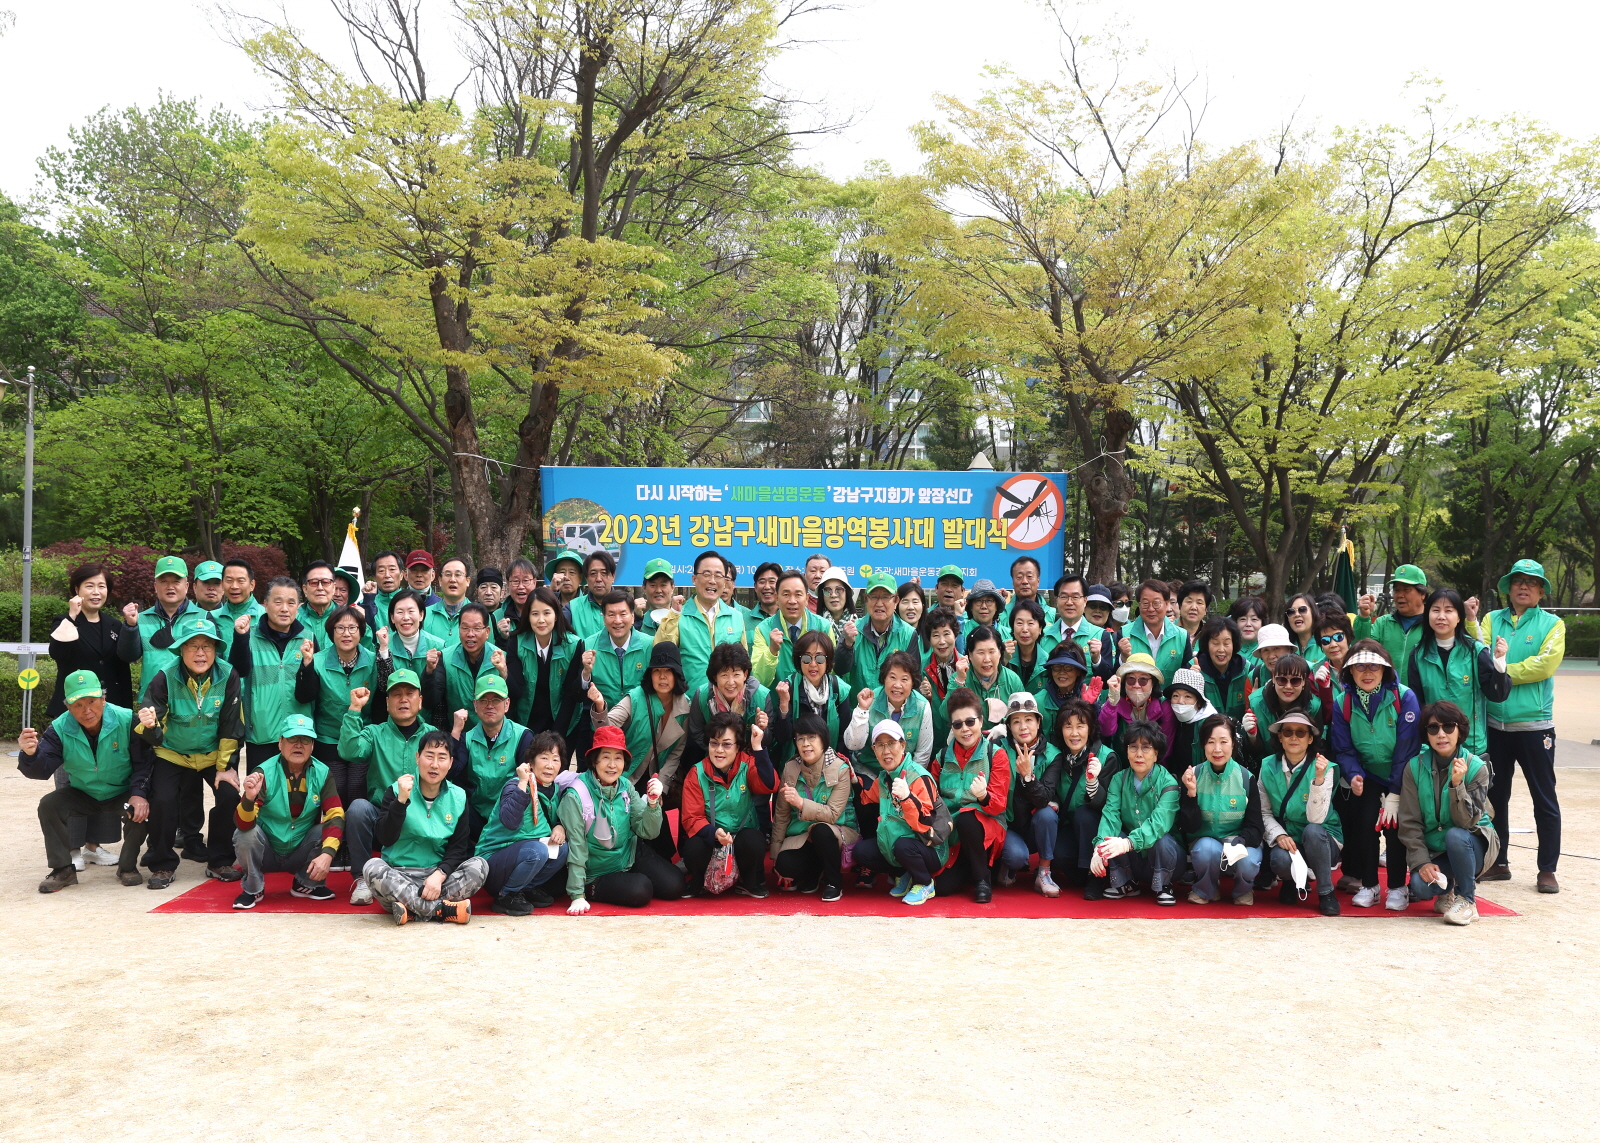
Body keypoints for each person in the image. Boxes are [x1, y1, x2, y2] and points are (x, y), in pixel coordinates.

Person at [1467, 558, 1565, 892]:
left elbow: (1545, 665)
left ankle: (1547, 869)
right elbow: (1481, 650)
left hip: (1536, 727)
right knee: (1496, 796)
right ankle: (1499, 862)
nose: (1523, 586)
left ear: (1541, 591)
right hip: (1495, 725)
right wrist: (1470, 623)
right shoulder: (1492, 618)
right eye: (1517, 581)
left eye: (1532, 582)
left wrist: (1504, 669)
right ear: (1508, 588)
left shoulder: (1553, 624)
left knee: (1544, 798)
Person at [134, 615, 246, 889]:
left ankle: (219, 859)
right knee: (162, 800)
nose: (200, 653)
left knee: (230, 795)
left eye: (207, 646)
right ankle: (161, 864)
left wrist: (225, 767)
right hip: (173, 753)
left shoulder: (228, 674)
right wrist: (149, 725)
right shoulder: (164, 677)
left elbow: (232, 726)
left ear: (216, 650)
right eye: (192, 646)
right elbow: (150, 729)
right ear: (180, 649)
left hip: (211, 754)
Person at [20, 670, 152, 892]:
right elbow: (41, 771)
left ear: (103, 698)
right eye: (78, 704)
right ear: (68, 707)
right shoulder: (59, 728)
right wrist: (30, 754)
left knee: (144, 807)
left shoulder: (128, 719)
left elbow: (144, 762)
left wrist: (138, 793)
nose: (87, 710)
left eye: (92, 701)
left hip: (122, 790)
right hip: (83, 792)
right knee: (49, 804)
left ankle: (127, 867)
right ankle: (63, 869)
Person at [46, 561, 136, 869]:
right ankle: (71, 850)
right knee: (72, 780)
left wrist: (124, 711)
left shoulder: (113, 626)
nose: (96, 592)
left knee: (105, 779)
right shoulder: (65, 620)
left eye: (101, 586)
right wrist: (72, 616)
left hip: (106, 716)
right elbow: (57, 652)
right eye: (89, 586)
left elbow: (123, 665)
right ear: (76, 590)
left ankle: (93, 847)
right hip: (72, 715)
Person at [362, 729, 487, 925]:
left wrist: (440, 875)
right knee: (372, 867)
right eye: (429, 756)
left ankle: (411, 911)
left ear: (451, 763)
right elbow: (384, 838)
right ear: (418, 757)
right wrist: (401, 802)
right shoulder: (397, 790)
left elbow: (458, 848)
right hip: (400, 877)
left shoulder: (458, 797)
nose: (434, 765)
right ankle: (442, 910)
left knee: (479, 866)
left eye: (442, 758)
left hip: (438, 879)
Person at [1330, 640, 1420, 911]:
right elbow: (1343, 747)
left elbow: (1407, 749)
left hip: (1401, 776)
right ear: (1350, 671)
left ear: (1385, 669)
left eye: (1374, 666)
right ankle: (1369, 885)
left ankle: (1397, 887)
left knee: (1394, 830)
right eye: (1359, 666)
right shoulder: (1342, 702)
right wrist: (1354, 774)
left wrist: (1394, 791)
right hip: (1368, 775)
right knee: (1365, 827)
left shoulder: (1404, 698)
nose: (1367, 672)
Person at [559, 724, 683, 911]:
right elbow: (577, 845)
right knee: (641, 889)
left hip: (628, 854)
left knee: (675, 885)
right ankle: (591, 888)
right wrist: (577, 894)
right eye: (606, 758)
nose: (612, 765)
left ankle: (626, 879)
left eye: (618, 758)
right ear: (594, 761)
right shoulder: (576, 795)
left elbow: (647, 832)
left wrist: (652, 804)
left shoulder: (625, 785)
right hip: (597, 870)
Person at [340, 668, 437, 905]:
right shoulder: (375, 733)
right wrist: (354, 710)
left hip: (421, 815)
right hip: (381, 816)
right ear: (387, 702)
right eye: (396, 694)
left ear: (420, 700)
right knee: (358, 808)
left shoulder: (432, 736)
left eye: (409, 693)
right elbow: (349, 751)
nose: (403, 699)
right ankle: (363, 879)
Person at [1398, 701, 1500, 926]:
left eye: (1449, 727)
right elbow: (1409, 822)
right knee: (1419, 887)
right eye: (1433, 728)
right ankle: (1448, 888)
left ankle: (1468, 900)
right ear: (1426, 733)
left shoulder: (1477, 768)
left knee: (1455, 835)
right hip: (1436, 850)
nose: (1441, 734)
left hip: (1473, 844)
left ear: (1460, 730)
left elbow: (1466, 822)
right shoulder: (1413, 767)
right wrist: (1422, 862)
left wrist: (1457, 785)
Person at [231, 713, 343, 908]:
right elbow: (243, 823)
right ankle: (253, 888)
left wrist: (327, 855)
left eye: (305, 739)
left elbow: (335, 814)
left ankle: (306, 884)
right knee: (244, 834)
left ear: (313, 746)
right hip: (267, 850)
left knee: (328, 828)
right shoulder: (263, 772)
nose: (299, 745)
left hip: (300, 849)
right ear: (280, 743)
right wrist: (249, 798)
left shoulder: (323, 772)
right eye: (292, 739)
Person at [596, 641, 692, 858]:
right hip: (627, 774)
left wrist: (662, 787)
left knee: (665, 851)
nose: (662, 677)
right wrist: (600, 707)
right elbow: (606, 729)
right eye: (657, 671)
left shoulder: (685, 705)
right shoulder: (636, 697)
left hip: (657, 776)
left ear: (678, 674)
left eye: (668, 671)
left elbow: (676, 754)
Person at [294, 604, 381, 821]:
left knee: (358, 788)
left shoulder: (372, 660)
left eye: (352, 628)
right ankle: (336, 842)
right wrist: (306, 664)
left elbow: (380, 701)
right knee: (337, 788)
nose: (346, 634)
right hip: (328, 737)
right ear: (331, 632)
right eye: (340, 628)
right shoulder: (318, 660)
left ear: (361, 632)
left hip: (362, 736)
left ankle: (355, 841)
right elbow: (305, 695)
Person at [678, 711, 779, 897]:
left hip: (741, 836)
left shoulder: (747, 764)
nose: (719, 750)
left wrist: (758, 748)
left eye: (726, 744)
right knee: (693, 847)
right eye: (714, 743)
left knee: (754, 841)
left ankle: (748, 881)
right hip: (712, 836)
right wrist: (714, 833)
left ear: (738, 747)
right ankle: (699, 881)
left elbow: (770, 785)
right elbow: (691, 818)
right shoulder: (696, 773)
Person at [847, 720, 947, 906]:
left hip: (930, 848)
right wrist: (854, 781)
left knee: (902, 845)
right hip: (898, 845)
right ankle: (904, 874)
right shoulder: (884, 777)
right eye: (880, 745)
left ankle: (925, 883)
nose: (886, 751)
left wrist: (907, 797)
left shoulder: (918, 776)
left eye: (891, 744)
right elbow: (866, 799)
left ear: (902, 745)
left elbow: (926, 823)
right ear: (874, 749)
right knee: (861, 852)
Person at [1405, 588, 1510, 759]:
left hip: (1472, 747)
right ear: (1427, 614)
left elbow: (1497, 694)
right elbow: (1417, 704)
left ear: (1459, 616)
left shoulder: (1475, 651)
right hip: (1435, 746)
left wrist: (1499, 662)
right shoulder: (1418, 655)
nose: (1441, 616)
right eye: (1436, 610)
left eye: (1449, 611)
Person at [931, 687, 1014, 902]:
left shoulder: (995, 754)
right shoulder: (941, 757)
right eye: (958, 724)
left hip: (984, 824)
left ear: (981, 720)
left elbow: (999, 805)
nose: (965, 729)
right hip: (952, 832)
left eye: (970, 722)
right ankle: (970, 867)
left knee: (968, 818)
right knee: (942, 888)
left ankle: (982, 879)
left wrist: (983, 796)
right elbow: (931, 797)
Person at [475, 729, 569, 915]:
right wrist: (522, 783)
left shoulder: (556, 790)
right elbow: (510, 821)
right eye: (544, 758)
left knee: (562, 848)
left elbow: (555, 818)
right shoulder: (515, 785)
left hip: (524, 855)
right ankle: (505, 895)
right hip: (494, 860)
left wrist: (559, 825)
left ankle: (523, 889)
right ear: (531, 762)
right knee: (537, 850)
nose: (550, 765)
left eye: (555, 759)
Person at [1258, 710, 1342, 914]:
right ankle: (1292, 882)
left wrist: (1319, 781)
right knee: (1278, 859)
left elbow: (1316, 818)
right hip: (1288, 835)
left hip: (1322, 838)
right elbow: (1264, 812)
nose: (1294, 737)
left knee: (1312, 831)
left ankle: (1325, 891)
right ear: (1280, 736)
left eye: (1301, 733)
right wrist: (1279, 835)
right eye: (1287, 732)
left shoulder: (1326, 767)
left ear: (1311, 738)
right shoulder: (1267, 765)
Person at [227, 576, 315, 771]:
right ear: (265, 604)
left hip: (299, 733)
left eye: (291, 603)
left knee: (298, 795)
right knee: (260, 793)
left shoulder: (308, 638)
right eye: (278, 602)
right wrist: (240, 638)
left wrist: (308, 665)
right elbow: (238, 671)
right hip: (261, 734)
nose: (284, 608)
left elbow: (311, 691)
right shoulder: (249, 636)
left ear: (298, 607)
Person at [770, 713, 859, 902]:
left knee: (821, 831)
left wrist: (801, 803)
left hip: (838, 831)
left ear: (823, 739)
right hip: (803, 834)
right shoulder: (790, 768)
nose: (805, 744)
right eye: (800, 738)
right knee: (786, 865)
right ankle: (814, 873)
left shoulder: (841, 768)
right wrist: (775, 856)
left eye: (812, 737)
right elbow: (782, 814)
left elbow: (833, 814)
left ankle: (834, 882)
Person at [1090, 720, 1181, 904]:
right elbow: (1110, 815)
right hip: (1135, 859)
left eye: (1146, 748)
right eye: (1133, 747)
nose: (1139, 754)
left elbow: (1158, 823)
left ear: (1156, 753)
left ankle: (1164, 885)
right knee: (1112, 837)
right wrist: (1099, 849)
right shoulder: (1119, 779)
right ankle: (1127, 883)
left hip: (1167, 858)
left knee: (1161, 839)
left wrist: (1128, 843)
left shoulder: (1168, 783)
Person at [1177, 712, 1262, 905]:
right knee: (1206, 849)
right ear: (1203, 745)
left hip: (1238, 841)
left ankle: (1243, 890)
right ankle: (1206, 889)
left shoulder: (1246, 778)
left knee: (1249, 861)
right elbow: (1188, 828)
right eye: (1210, 742)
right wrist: (1191, 794)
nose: (1217, 749)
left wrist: (1242, 840)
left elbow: (1256, 827)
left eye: (1223, 742)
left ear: (1233, 743)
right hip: (1206, 841)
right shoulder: (1194, 775)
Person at [1039, 698, 1113, 895]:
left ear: (1090, 729)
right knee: (1060, 854)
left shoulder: (1106, 757)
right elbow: (1053, 790)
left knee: (1085, 814)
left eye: (1080, 726)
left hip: (1097, 828)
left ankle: (1095, 875)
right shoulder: (1056, 755)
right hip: (1070, 825)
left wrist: (1092, 782)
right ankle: (1080, 873)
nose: (1074, 733)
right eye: (1068, 726)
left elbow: (1109, 806)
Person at [651, 550, 748, 695]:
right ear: (694, 579)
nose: (712, 580)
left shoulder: (736, 617)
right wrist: (674, 615)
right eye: (707, 574)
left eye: (718, 575)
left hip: (728, 704)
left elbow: (744, 663)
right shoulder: (679, 615)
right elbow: (662, 653)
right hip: (689, 702)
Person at [454, 673, 533, 838]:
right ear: (475, 705)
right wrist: (455, 732)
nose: (489, 706)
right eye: (483, 700)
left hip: (508, 814)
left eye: (496, 700)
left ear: (507, 704)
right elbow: (454, 774)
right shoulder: (466, 738)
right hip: (475, 815)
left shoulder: (523, 736)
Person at [999, 692, 1060, 896]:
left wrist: (1027, 776)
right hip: (1008, 825)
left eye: (1028, 720)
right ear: (1008, 726)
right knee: (1015, 856)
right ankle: (1011, 863)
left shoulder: (1053, 754)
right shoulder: (998, 749)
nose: (1023, 726)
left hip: (1036, 826)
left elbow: (1044, 798)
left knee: (1048, 814)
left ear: (1038, 722)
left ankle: (1044, 872)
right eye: (1016, 721)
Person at [505, 585, 585, 739]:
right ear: (528, 616)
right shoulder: (516, 642)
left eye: (547, 613)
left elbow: (569, 696)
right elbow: (517, 691)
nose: (541, 620)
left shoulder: (573, 645)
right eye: (535, 614)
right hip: (524, 724)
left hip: (563, 724)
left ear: (556, 615)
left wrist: (557, 737)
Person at [116, 554, 200, 695]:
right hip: (152, 699)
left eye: (176, 581)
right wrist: (130, 626)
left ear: (186, 586)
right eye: (164, 581)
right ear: (155, 586)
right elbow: (128, 656)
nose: (170, 587)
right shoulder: (141, 619)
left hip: (192, 699)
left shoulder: (202, 618)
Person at [683, 642, 774, 767]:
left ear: (745, 674)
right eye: (724, 675)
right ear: (715, 677)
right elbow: (697, 732)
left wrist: (763, 730)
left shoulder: (762, 696)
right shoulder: (701, 696)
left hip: (749, 762)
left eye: (736, 674)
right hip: (715, 760)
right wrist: (721, 754)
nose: (731, 682)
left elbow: (768, 741)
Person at [771, 629, 853, 767]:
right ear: (799, 660)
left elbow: (843, 738)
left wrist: (839, 769)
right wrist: (784, 704)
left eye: (820, 658)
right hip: (795, 766)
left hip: (830, 765)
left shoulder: (839, 689)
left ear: (829, 661)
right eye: (807, 658)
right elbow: (782, 738)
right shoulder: (789, 687)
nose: (813, 664)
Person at [750, 569, 839, 688]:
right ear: (777, 597)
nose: (792, 601)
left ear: (807, 599)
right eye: (786, 594)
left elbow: (830, 672)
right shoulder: (763, 629)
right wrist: (772, 651)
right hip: (776, 704)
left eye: (798, 594)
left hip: (814, 704)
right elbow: (759, 680)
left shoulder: (823, 626)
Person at [439, 603, 508, 732]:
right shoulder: (445, 657)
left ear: (487, 632)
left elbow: (512, 698)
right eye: (465, 628)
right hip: (457, 732)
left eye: (477, 628)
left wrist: (503, 672)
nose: (470, 634)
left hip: (493, 732)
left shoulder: (501, 657)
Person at [578, 589, 653, 710]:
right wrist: (585, 673)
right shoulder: (588, 645)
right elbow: (578, 694)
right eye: (611, 614)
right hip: (602, 720)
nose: (617, 621)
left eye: (623, 614)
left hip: (640, 721)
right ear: (604, 618)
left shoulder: (650, 645)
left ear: (633, 617)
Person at [376, 589, 447, 714]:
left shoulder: (438, 645)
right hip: (395, 719)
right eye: (400, 612)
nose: (406, 617)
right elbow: (384, 688)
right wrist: (384, 651)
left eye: (411, 611)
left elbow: (439, 694)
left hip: (428, 720)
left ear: (421, 615)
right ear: (392, 617)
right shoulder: (384, 644)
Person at [1098, 654, 1175, 769]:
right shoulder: (1115, 700)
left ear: (1153, 683)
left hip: (1154, 768)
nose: (1136, 685)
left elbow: (1166, 747)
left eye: (1143, 680)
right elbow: (1106, 731)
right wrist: (1112, 703)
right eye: (1131, 679)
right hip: (1121, 767)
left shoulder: (1164, 705)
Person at [847, 572, 918, 695]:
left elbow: (914, 680)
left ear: (896, 600)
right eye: (874, 597)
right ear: (865, 599)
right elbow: (840, 670)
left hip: (894, 710)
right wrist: (846, 645)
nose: (879, 603)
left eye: (885, 597)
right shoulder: (853, 630)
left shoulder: (908, 634)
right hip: (859, 709)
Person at [948, 625, 1023, 733]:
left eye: (992, 652)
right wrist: (959, 681)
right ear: (970, 654)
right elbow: (946, 715)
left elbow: (1023, 718)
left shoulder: (1012, 680)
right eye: (981, 653)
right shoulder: (959, 677)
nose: (987, 659)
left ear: (1000, 652)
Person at [1242, 654, 1320, 757]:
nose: (1288, 686)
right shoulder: (1255, 702)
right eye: (1282, 680)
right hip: (1266, 766)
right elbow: (1253, 752)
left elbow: (1317, 745)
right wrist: (1251, 736)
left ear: (1304, 682)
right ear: (1273, 678)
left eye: (1295, 681)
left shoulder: (1314, 705)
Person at [1356, 564, 1430, 671]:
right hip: (1389, 687)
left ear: (1422, 594)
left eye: (1406, 589)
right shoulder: (1382, 623)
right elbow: (1361, 649)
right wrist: (1363, 617)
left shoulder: (1433, 624)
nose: (1400, 595)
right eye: (1397, 590)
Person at [1040, 574, 1113, 679]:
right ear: (1057, 600)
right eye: (1064, 596)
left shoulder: (1101, 636)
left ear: (1085, 601)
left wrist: (1097, 660)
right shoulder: (1044, 635)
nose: (1069, 602)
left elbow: (1108, 680)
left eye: (1075, 597)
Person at [1119, 579, 1189, 681]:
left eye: (1156, 603)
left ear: (1166, 604)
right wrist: (1123, 658)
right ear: (1139, 604)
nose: (1151, 609)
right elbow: (1114, 674)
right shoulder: (1124, 633)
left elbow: (1186, 675)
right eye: (1145, 603)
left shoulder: (1182, 636)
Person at [1033, 644, 1101, 741]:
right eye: (1057, 667)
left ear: (1078, 671)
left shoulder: (1089, 695)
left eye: (1068, 668)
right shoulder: (1038, 701)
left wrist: (1090, 707)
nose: (1062, 672)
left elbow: (1099, 734)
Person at [919, 607, 962, 747]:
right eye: (936, 635)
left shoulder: (967, 667)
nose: (942, 641)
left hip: (962, 743)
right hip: (931, 744)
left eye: (946, 634)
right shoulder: (921, 670)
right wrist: (924, 698)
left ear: (955, 635)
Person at [1164, 667, 1218, 772]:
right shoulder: (1173, 720)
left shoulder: (1211, 725)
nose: (1180, 701)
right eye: (1175, 696)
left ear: (1199, 702)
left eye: (1188, 696)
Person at [1196, 615, 1248, 719]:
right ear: (1207, 644)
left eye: (1226, 643)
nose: (1221, 649)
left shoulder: (1247, 670)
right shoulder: (1194, 668)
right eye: (1215, 643)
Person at [189, 561, 239, 659]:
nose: (211, 588)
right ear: (195, 587)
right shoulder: (184, 619)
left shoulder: (237, 620)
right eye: (206, 582)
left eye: (217, 583)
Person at [568, 550, 618, 642]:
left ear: (613, 577)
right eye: (593, 574)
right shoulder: (571, 608)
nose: (598, 579)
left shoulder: (626, 606)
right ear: (586, 578)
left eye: (604, 573)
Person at [422, 556, 472, 643]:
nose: (452, 579)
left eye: (458, 575)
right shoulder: (424, 615)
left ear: (467, 581)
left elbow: (488, 652)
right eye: (448, 574)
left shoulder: (480, 615)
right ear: (440, 581)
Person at [296, 562, 344, 651]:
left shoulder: (349, 619)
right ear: (305, 589)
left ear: (333, 588)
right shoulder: (293, 621)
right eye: (314, 582)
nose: (320, 588)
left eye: (325, 582)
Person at [1008, 599, 1048, 690]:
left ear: (1040, 629)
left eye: (1030, 623)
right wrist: (1003, 661)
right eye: (1019, 623)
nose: (1025, 629)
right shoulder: (1004, 657)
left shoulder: (1048, 662)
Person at [634, 558, 680, 637]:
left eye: (663, 585)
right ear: (644, 588)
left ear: (673, 587)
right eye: (653, 585)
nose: (658, 590)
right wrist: (636, 619)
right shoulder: (638, 623)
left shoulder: (684, 622)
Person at [815, 566, 858, 651]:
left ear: (847, 593)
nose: (834, 595)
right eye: (828, 590)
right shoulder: (814, 625)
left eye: (839, 589)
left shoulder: (859, 625)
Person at [492, 558, 538, 635]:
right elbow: (490, 646)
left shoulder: (546, 613)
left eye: (526, 580)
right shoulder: (497, 616)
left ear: (534, 582)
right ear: (508, 584)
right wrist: (503, 638)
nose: (521, 586)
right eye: (515, 581)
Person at [1283, 592, 1327, 668]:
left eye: (1302, 610)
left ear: (1313, 612)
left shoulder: (1327, 642)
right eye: (1291, 612)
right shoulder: (1284, 648)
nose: (1297, 614)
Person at [365, 551, 407, 627]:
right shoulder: (365, 604)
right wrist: (368, 600)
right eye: (381, 571)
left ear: (401, 575)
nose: (387, 575)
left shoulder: (413, 603)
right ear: (374, 578)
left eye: (392, 569)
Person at [221, 558, 265, 625]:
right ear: (222, 584)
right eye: (229, 580)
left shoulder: (266, 617)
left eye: (241, 581)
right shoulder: (213, 618)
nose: (234, 586)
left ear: (252, 585)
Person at [1229, 596, 1269, 665]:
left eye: (1254, 619)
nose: (1248, 624)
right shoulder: (1227, 648)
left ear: (1263, 623)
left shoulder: (1269, 649)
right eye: (1243, 619)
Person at [543, 549, 584, 615]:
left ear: (580, 578)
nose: (567, 577)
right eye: (562, 572)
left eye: (572, 572)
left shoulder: (589, 605)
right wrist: (551, 591)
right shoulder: (549, 602)